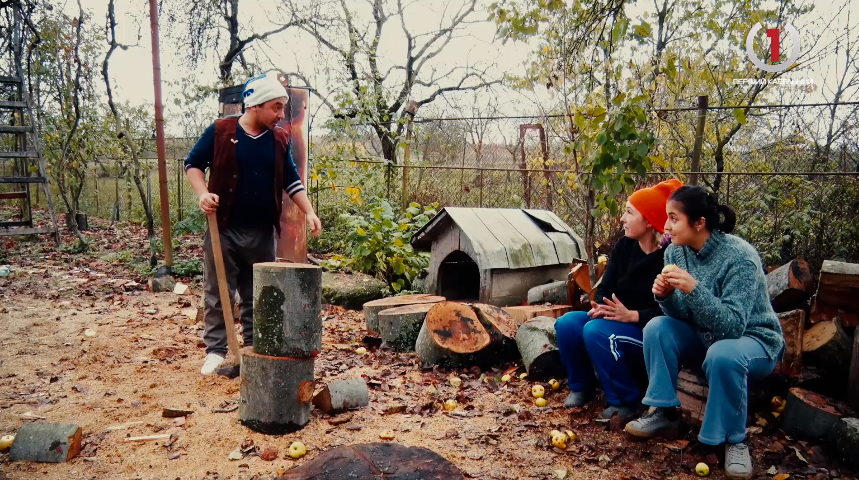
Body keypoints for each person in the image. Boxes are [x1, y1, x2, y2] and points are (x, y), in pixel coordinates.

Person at [624, 185, 784, 480]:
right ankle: (664, 412)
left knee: (723, 353)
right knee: (657, 327)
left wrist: (694, 289)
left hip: (753, 342)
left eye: (674, 218)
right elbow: (682, 316)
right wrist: (666, 297)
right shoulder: (675, 251)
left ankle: (735, 440)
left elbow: (733, 327)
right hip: (706, 339)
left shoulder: (740, 257)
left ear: (699, 223)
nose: (666, 226)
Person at [184, 70, 323, 376]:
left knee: (257, 292)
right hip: (224, 228)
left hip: (262, 232)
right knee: (219, 291)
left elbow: (292, 180)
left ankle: (253, 345)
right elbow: (192, 164)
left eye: (283, 107)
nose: (281, 114)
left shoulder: (279, 139)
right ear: (256, 105)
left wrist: (309, 212)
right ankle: (216, 350)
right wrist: (203, 194)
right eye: (276, 107)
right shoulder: (221, 131)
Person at [555, 179, 682, 420]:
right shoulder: (624, 246)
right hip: (613, 320)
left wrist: (633, 316)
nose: (622, 218)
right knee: (567, 324)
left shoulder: (669, 256)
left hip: (646, 331)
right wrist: (601, 306)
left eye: (629, 212)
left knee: (596, 331)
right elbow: (606, 287)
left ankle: (626, 401)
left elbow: (674, 310)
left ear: (649, 221)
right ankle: (582, 387)